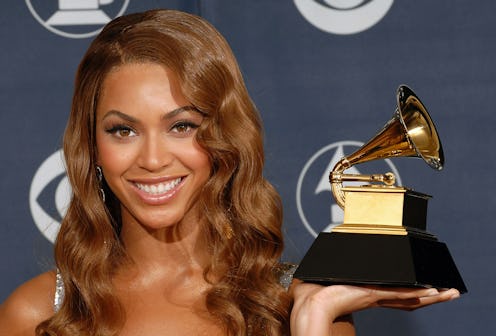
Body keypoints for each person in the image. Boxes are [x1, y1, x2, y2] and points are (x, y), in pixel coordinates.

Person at [0, 9, 459, 336]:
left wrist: (313, 320)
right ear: (93, 147)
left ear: (223, 136)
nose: (154, 159)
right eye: (123, 131)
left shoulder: (288, 302)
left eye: (181, 126)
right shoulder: (37, 313)